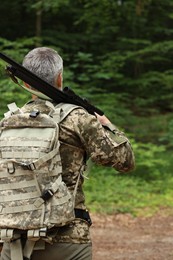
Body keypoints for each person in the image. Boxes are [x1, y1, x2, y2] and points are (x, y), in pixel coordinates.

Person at [0, 47, 135, 260]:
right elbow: (125, 160)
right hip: (68, 238)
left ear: (25, 84)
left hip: (15, 239)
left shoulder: (9, 123)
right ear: (60, 78)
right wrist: (108, 125)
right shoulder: (78, 119)